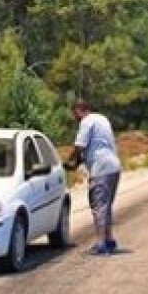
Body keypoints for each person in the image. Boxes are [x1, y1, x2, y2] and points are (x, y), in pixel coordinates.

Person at [64, 100, 122, 255]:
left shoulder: (86, 122)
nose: (75, 118)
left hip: (101, 169)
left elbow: (79, 146)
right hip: (114, 167)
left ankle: (101, 244)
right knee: (106, 205)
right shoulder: (102, 119)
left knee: (98, 207)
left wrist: (69, 160)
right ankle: (109, 240)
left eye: (75, 113)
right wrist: (77, 163)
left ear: (80, 111)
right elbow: (96, 147)